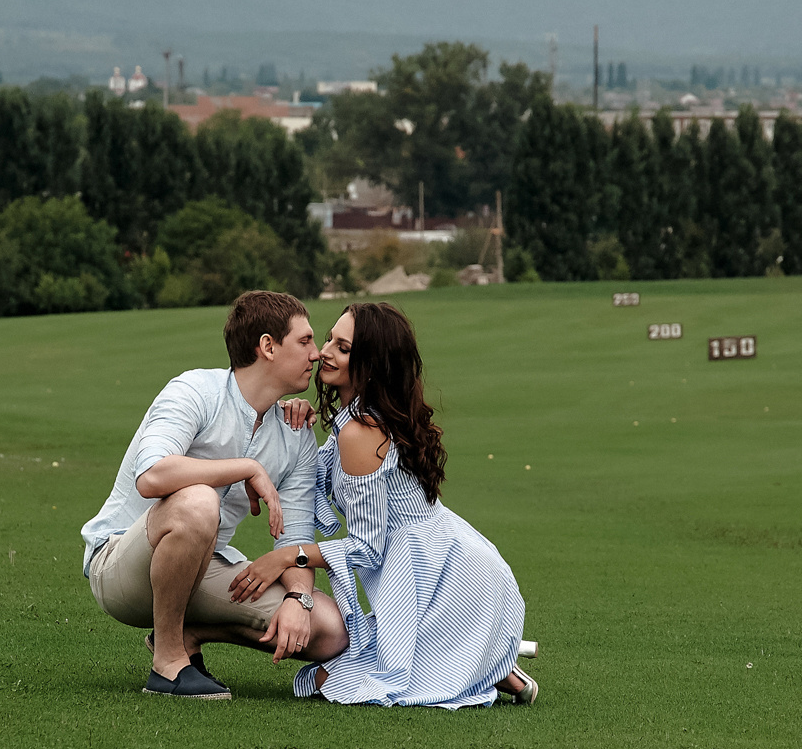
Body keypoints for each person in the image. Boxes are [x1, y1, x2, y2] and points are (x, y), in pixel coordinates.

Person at [246, 301, 535, 709]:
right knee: (336, 676)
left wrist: (290, 558)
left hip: (446, 576)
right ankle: (492, 664)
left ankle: (486, 662)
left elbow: (366, 547)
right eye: (329, 338)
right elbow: (313, 478)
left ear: (371, 365)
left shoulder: (362, 431)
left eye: (342, 348)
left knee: (342, 680)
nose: (323, 351)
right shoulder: (354, 417)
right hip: (434, 561)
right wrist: (291, 420)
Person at [80, 291, 348, 700]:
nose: (316, 354)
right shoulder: (196, 390)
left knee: (328, 630)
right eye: (306, 340)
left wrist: (298, 597)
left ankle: (186, 633)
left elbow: (293, 537)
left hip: (199, 570)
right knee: (199, 501)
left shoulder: (296, 435)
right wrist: (247, 467)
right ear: (268, 347)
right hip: (120, 567)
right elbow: (151, 475)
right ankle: (168, 665)